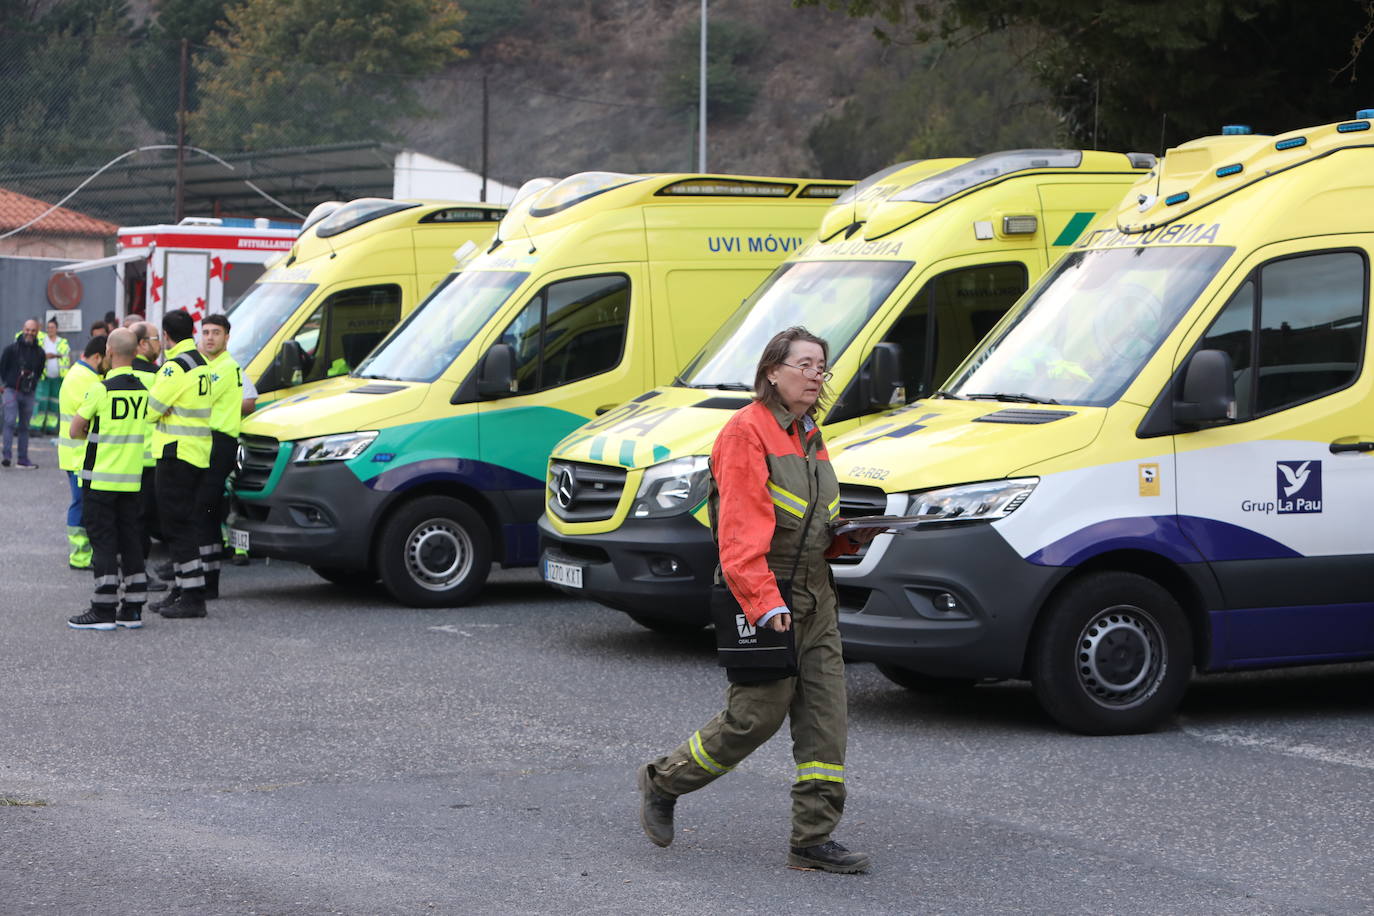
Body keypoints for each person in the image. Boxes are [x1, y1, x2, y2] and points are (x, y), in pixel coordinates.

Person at [637, 326, 880, 875]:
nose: (818, 376)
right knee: (755, 717)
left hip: (816, 595)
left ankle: (812, 840)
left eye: (823, 366)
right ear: (773, 371)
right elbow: (740, 537)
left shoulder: (810, 433)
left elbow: (810, 521)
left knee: (826, 721)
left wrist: (845, 538)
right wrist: (765, 606)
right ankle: (663, 780)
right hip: (767, 593)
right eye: (807, 365)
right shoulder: (746, 433)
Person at [66, 328, 148, 630]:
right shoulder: (142, 390)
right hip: (131, 479)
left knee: (103, 542)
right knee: (131, 541)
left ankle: (103, 609)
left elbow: (76, 429)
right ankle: (134, 608)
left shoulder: (101, 389)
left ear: (110, 352)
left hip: (100, 479)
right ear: (136, 353)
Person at [145, 309, 213, 619]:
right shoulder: (201, 363)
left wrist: (162, 407)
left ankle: (193, 597)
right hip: (196, 452)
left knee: (177, 526)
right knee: (183, 524)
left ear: (168, 336)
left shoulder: (174, 367)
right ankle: (184, 589)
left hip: (176, 453)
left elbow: (151, 409)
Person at [195, 314, 254, 598]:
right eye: (205, 332)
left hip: (219, 443)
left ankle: (208, 582)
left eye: (215, 333)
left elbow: (197, 398)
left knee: (206, 510)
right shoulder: (208, 366)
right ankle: (205, 578)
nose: (209, 337)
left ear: (227, 337)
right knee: (204, 514)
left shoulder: (225, 367)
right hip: (206, 442)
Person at [56, 335, 107, 570]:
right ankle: (79, 556)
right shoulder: (84, 379)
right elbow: (87, 421)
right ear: (98, 357)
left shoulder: (82, 374)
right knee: (80, 504)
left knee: (82, 503)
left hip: (75, 454)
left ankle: (83, 554)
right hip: (78, 455)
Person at [130, 321, 167, 591]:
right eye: (155, 339)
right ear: (142, 344)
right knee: (142, 520)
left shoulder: (117, 375)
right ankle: (138, 574)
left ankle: (128, 569)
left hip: (122, 458)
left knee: (129, 518)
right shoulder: (158, 377)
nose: (159, 344)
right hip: (150, 458)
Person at [0, 318, 45, 468]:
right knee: (10, 422)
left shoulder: (40, 352)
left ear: (37, 332)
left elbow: (39, 371)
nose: (30, 333)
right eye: (28, 329)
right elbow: (2, 367)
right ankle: (6, 456)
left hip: (28, 393)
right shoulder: (11, 349)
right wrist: (5, 384)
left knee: (25, 426)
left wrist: (32, 383)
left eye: (33, 330)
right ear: (23, 329)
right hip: (11, 390)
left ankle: (22, 459)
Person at [32, 318, 71, 436]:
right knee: (41, 402)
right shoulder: (42, 341)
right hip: (44, 377)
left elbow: (66, 357)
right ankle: (36, 426)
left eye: (52, 327)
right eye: (48, 327)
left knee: (54, 403)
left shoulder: (62, 342)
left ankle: (51, 426)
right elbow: (37, 354)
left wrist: (54, 356)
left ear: (57, 329)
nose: (50, 330)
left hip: (58, 378)